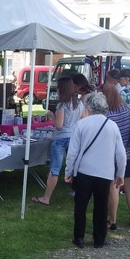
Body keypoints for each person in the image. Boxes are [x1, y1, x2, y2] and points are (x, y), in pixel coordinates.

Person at [64, 93, 125, 249]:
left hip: (84, 170)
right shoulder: (112, 126)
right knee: (101, 206)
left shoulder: (82, 124)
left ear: (88, 107)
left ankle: (79, 237)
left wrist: (68, 171)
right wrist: (120, 174)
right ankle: (99, 239)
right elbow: (121, 154)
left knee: (80, 205)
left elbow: (72, 152)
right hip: (105, 172)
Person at [31, 77, 86, 206]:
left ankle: (46, 198)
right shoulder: (79, 103)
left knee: (55, 168)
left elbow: (59, 125)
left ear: (62, 89)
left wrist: (52, 115)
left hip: (61, 138)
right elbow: (83, 120)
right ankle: (78, 192)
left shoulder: (62, 106)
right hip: (74, 138)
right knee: (75, 167)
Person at [102, 83, 130, 230]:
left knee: (114, 187)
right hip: (129, 153)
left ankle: (112, 221)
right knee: (129, 187)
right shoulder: (126, 108)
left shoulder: (106, 114)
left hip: (113, 155)